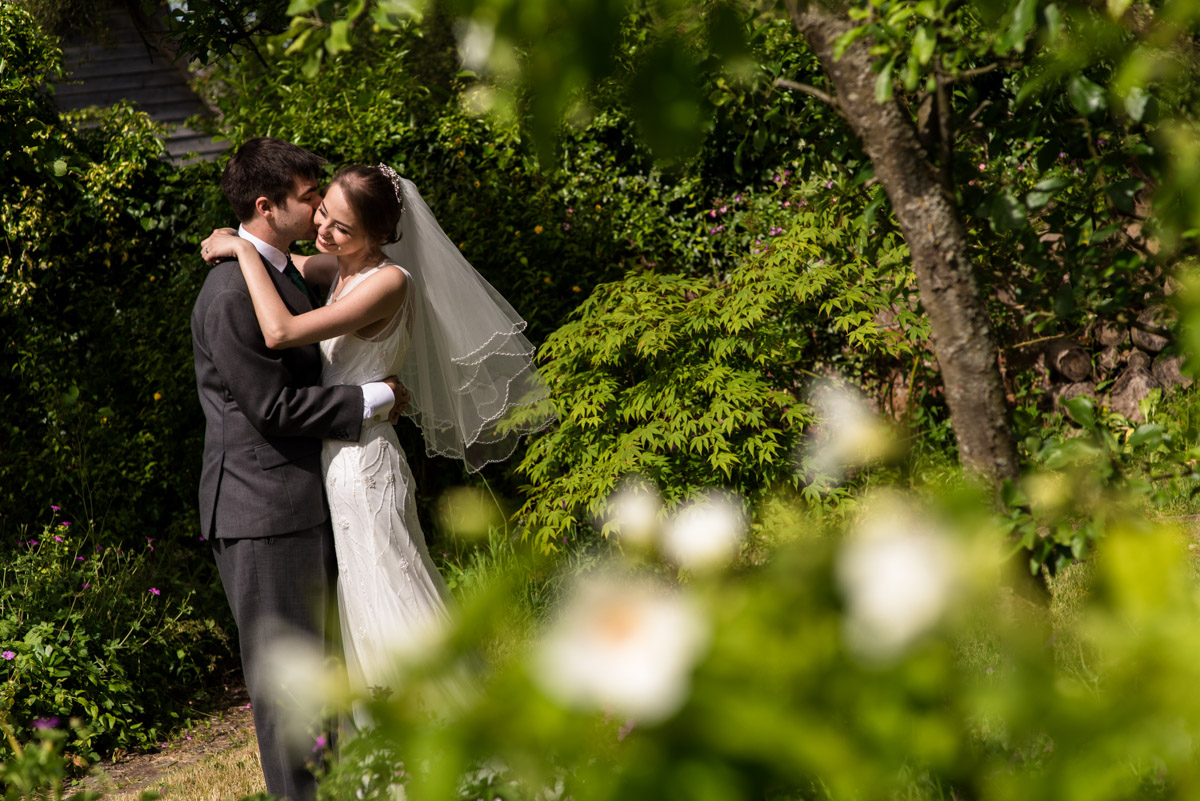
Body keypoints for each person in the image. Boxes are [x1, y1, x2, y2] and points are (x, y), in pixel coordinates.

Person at [200, 163, 553, 727]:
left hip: (364, 465)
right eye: (323, 213)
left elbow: (280, 333)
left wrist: (239, 252)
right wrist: (240, 239)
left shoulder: (389, 281)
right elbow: (282, 262)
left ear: (382, 235)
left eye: (342, 227)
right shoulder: (336, 266)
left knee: (388, 592)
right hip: (337, 457)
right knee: (360, 606)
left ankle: (435, 732)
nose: (324, 231)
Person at [190, 139, 406, 801]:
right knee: (286, 691)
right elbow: (272, 404)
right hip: (260, 513)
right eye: (310, 196)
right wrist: (376, 396)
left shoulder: (281, 269)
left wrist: (238, 243)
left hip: (302, 499)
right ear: (267, 204)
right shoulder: (232, 291)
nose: (318, 209)